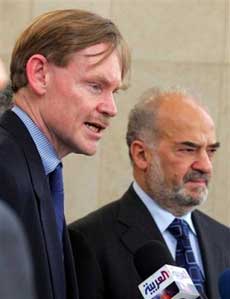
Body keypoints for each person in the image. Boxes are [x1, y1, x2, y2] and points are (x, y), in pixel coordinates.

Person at [0, 8, 130, 299]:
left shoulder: (35, 167)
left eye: (115, 92)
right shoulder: (4, 169)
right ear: (39, 74)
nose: (111, 108)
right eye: (95, 86)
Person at [69, 87, 230, 299]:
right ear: (142, 155)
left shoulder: (224, 240)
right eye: (188, 149)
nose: (205, 165)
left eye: (211, 151)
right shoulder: (87, 242)